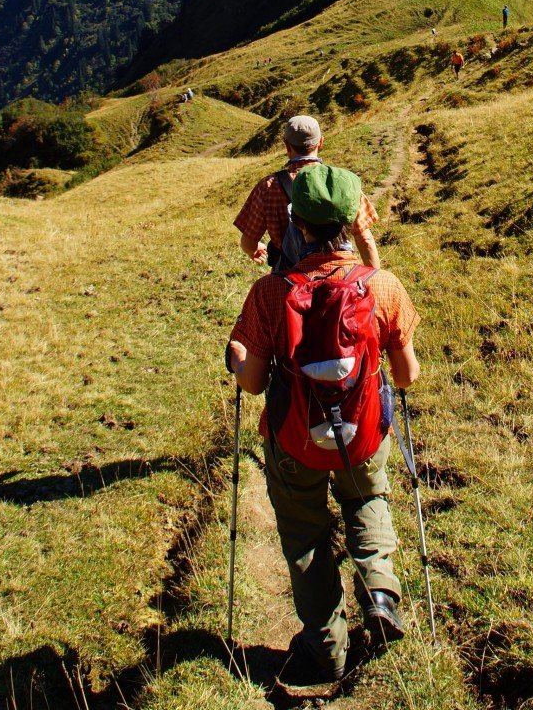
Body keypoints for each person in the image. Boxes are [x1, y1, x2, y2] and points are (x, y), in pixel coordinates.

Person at [226, 164, 421, 685]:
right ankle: (380, 592)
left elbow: (252, 384)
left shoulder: (270, 293)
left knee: (305, 533)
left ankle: (325, 647)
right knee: (367, 500)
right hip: (362, 437)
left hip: (294, 441)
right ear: (352, 220)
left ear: (299, 223)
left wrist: (236, 357)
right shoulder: (383, 287)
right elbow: (407, 377)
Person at [234, 115, 380, 270]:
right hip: (340, 274)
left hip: (290, 279)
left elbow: (248, 242)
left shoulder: (268, 186)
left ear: (287, 146)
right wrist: (373, 279)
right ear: (321, 142)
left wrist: (255, 249)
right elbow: (366, 240)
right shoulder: (341, 182)